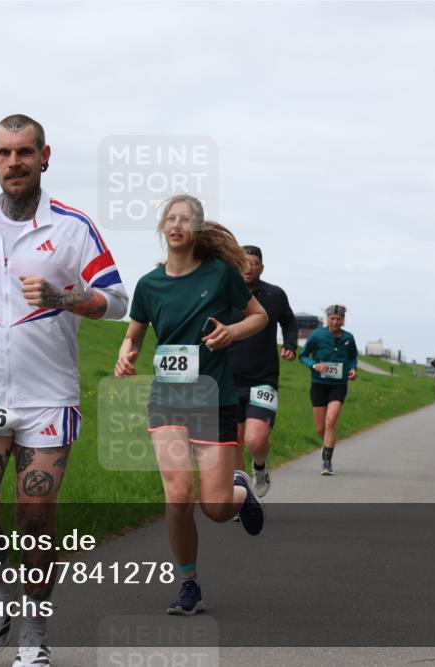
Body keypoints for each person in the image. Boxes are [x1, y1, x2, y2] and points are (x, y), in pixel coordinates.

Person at [0, 114, 128, 667]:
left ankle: (35, 635)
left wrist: (63, 297)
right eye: (5, 152)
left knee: (36, 520)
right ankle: (1, 587)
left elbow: (116, 301)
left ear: (45, 157)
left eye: (25, 152)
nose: (15, 162)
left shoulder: (73, 227)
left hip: (48, 396)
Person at [115, 194, 268, 616]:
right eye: (171, 218)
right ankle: (189, 583)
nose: (177, 225)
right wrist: (126, 352)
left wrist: (232, 334)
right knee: (179, 497)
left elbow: (259, 317)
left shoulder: (220, 275)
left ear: (196, 230)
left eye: (186, 219)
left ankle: (241, 494)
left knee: (215, 508)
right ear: (163, 226)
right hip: (167, 400)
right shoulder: (149, 284)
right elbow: (135, 333)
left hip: (213, 400)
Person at [228, 244, 298, 496]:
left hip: (262, 379)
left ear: (261, 267)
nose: (249, 266)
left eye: (254, 262)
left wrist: (290, 345)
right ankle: (240, 496)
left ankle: (260, 465)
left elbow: (289, 322)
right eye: (244, 261)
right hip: (228, 379)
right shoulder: (223, 293)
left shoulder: (274, 295)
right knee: (234, 444)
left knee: (255, 441)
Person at [299, 305, 358, 475]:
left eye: (338, 319)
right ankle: (326, 444)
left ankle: (327, 462)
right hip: (318, 384)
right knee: (320, 427)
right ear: (327, 318)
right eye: (332, 318)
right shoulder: (317, 335)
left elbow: (353, 357)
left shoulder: (349, 338)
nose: (335, 321)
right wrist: (315, 365)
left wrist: (353, 369)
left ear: (343, 320)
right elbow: (303, 356)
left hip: (338, 385)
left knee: (331, 420)